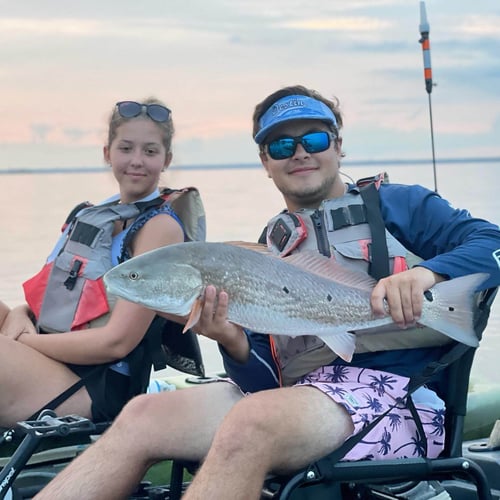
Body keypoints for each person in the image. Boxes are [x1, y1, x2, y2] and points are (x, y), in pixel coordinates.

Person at [34, 85, 500, 500]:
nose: (299, 153)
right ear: (265, 162)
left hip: (403, 402)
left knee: (251, 423)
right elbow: (264, 383)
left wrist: (428, 276)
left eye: (314, 139)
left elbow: (490, 241)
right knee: (140, 415)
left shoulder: (400, 204)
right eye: (281, 145)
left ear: (338, 146)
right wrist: (232, 341)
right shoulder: (270, 247)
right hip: (296, 399)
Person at [0, 98, 187, 428]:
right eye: (126, 148)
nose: (137, 161)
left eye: (150, 151)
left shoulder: (160, 228)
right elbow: (47, 304)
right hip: (51, 356)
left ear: (166, 159)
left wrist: (24, 342)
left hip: (99, 386)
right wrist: (18, 315)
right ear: (107, 153)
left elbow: (118, 341)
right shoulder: (90, 215)